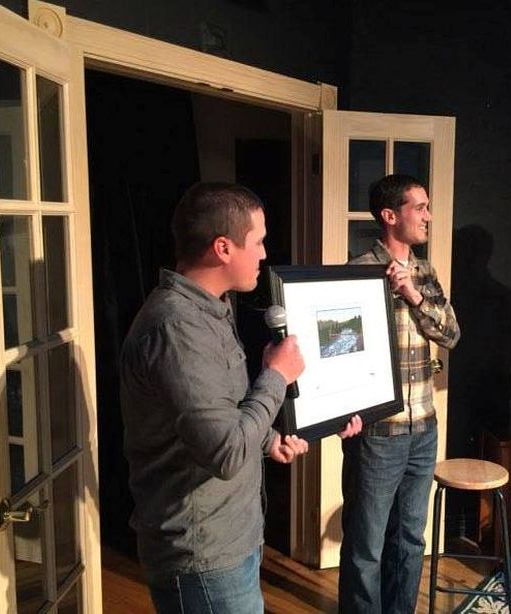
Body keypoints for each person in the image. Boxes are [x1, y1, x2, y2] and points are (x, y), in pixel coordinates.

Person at [120, 182, 360, 614]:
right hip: (203, 555)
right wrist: (275, 376)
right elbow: (227, 452)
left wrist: (269, 439)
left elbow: (222, 413)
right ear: (223, 248)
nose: (265, 254)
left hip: (232, 537)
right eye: (259, 241)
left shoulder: (211, 309)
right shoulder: (178, 329)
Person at [338, 174, 461, 613]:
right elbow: (338, 354)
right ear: (391, 216)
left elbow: (450, 334)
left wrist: (412, 293)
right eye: (420, 207)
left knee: (410, 539)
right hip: (377, 432)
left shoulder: (424, 272)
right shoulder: (356, 273)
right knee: (366, 544)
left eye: (428, 206)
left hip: (423, 427)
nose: (428, 215)